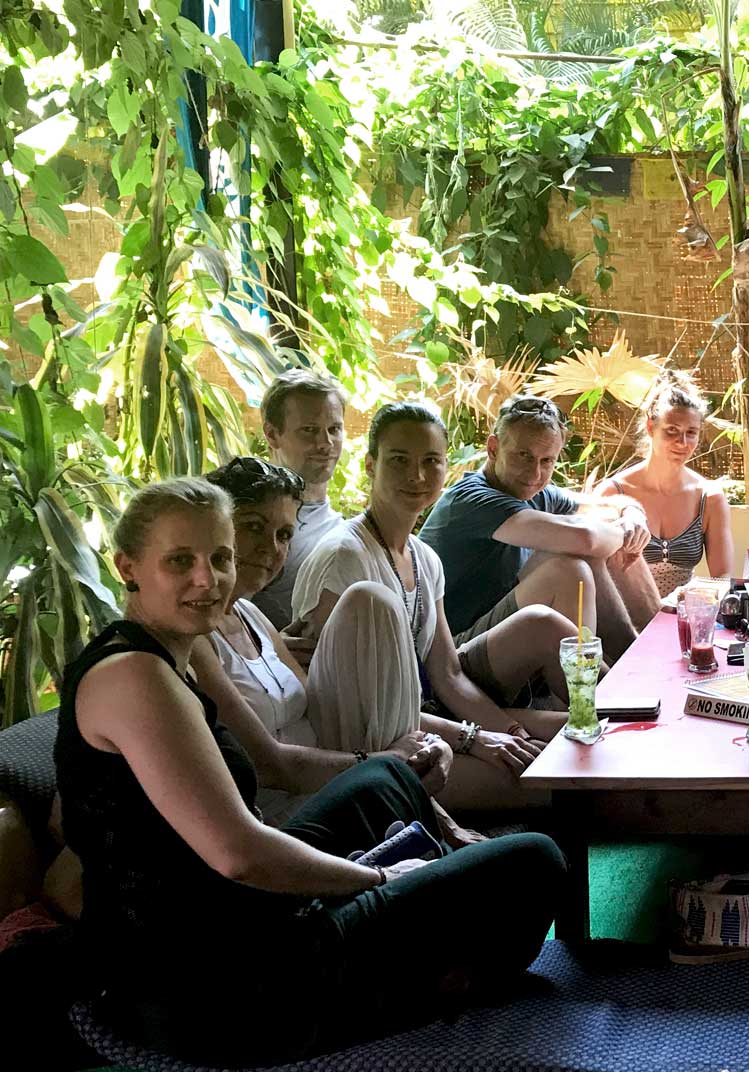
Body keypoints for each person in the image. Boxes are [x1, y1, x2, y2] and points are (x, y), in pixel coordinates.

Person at [55, 478, 563, 1065]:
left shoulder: (172, 654)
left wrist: (408, 762)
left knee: (387, 779)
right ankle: (425, 977)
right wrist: (376, 878)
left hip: (236, 913)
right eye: (179, 561)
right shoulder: (135, 677)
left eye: (219, 558)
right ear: (128, 567)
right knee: (536, 860)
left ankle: (422, 937)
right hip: (213, 986)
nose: (207, 579)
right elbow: (240, 854)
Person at [192, 457, 536, 820]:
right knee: (370, 601)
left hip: (345, 777)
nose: (271, 547)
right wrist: (387, 761)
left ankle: (429, 811)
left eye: (284, 535)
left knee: (543, 767)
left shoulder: (253, 618)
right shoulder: (196, 640)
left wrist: (461, 738)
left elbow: (352, 704)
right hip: (299, 818)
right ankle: (426, 814)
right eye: (253, 526)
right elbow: (272, 766)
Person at [294, 402, 567, 778]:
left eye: (431, 461)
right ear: (371, 465)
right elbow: (349, 702)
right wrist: (474, 738)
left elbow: (449, 676)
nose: (417, 476)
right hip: (374, 751)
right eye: (399, 460)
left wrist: (511, 733)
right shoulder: (344, 558)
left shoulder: (423, 557)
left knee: (576, 736)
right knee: (554, 781)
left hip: (427, 721)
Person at [420, 394, 655, 667]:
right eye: (524, 456)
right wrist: (624, 534)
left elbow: (609, 507)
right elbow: (586, 538)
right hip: (451, 652)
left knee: (602, 543)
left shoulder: (534, 491)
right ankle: (592, 682)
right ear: (493, 448)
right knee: (569, 569)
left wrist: (632, 514)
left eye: (547, 461)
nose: (534, 474)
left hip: (500, 631)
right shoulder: (472, 499)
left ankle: (639, 651)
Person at [595, 369, 733, 597]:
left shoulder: (709, 498)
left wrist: (696, 597)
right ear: (651, 427)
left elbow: (722, 577)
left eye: (691, 432)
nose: (682, 442)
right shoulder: (613, 493)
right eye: (672, 431)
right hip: (624, 612)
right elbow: (595, 573)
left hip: (682, 612)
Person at [250, 369, 347, 631]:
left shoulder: (344, 527)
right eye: (309, 430)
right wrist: (271, 645)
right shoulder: (251, 521)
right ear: (272, 434)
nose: (325, 443)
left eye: (334, 429)